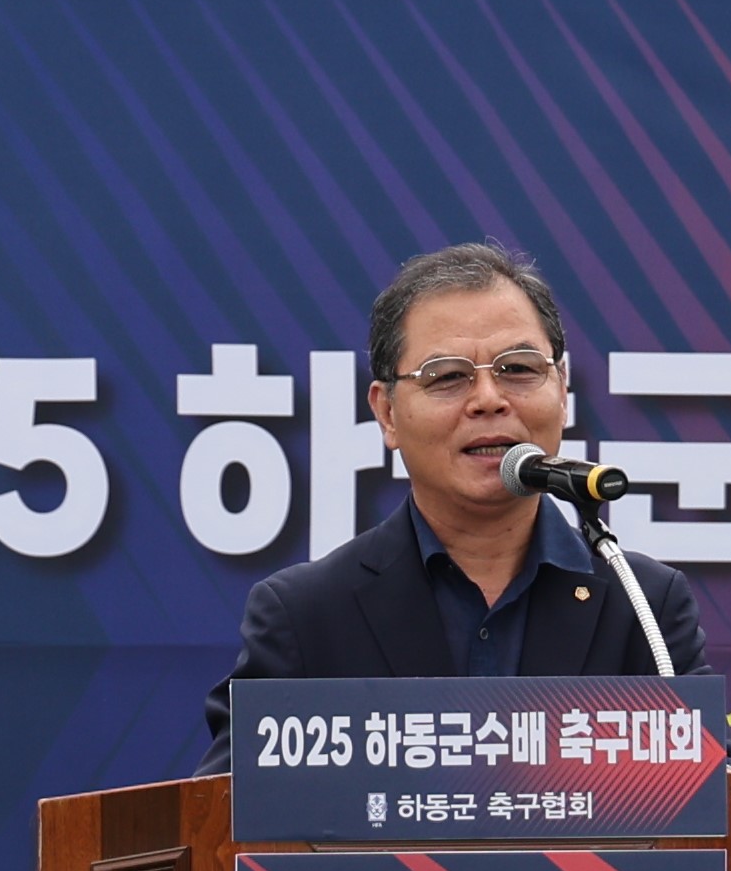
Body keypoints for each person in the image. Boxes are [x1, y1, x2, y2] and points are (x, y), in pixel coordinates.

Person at [209, 239, 695, 738]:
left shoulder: (644, 605)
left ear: (562, 389)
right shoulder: (306, 615)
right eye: (447, 377)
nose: (489, 400)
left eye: (519, 369)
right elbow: (223, 809)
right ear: (386, 413)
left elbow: (725, 797)